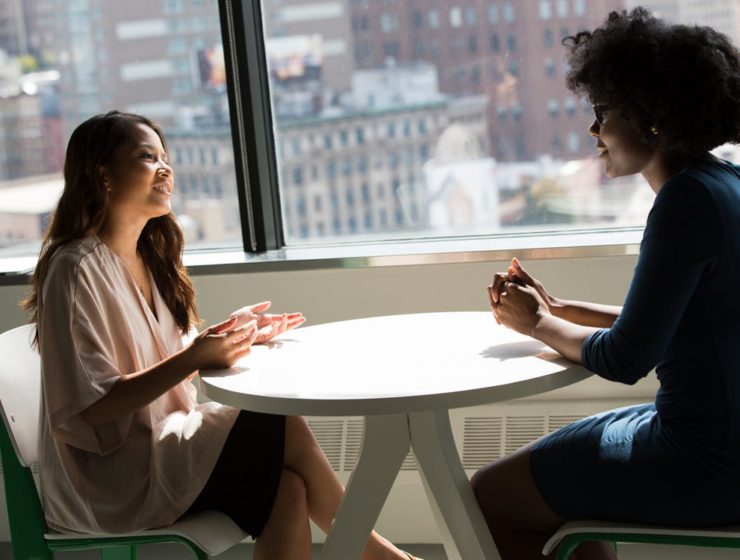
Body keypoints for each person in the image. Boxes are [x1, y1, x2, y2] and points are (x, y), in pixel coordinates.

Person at [23, 111, 420, 560]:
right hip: (112, 481)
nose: (165, 168)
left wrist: (233, 336)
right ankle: (382, 555)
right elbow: (93, 407)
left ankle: (379, 555)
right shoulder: (75, 269)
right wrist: (195, 355)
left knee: (286, 488)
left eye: (165, 156)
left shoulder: (149, 260)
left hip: (160, 450)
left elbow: (168, 360)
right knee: (277, 421)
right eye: (147, 157)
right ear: (103, 174)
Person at [470, 8, 740, 560]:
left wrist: (537, 323)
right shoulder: (725, 184)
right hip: (725, 440)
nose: (594, 130)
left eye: (603, 110)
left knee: (486, 496)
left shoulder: (683, 203)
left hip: (706, 461)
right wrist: (562, 307)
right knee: (563, 472)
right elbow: (677, 322)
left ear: (652, 118)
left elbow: (626, 358)